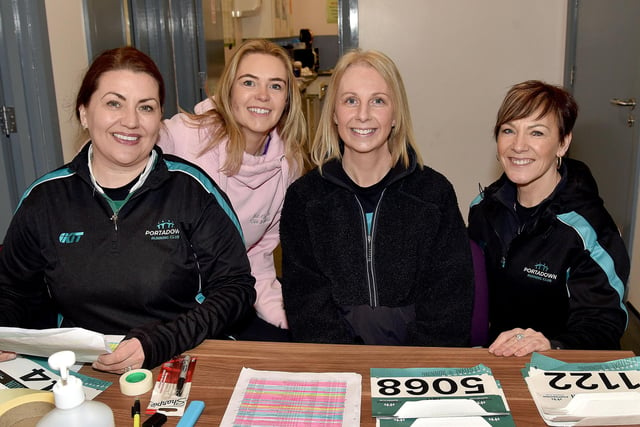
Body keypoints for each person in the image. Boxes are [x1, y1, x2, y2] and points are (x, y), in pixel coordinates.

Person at [0, 46, 256, 372]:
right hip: (86, 370)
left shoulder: (192, 190)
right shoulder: (44, 199)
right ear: (83, 112)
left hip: (183, 357)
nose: (131, 121)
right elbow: (14, 292)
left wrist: (160, 342)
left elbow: (236, 289)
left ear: (159, 119)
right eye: (114, 103)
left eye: (145, 107)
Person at [279, 49, 474, 346]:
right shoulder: (305, 199)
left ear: (396, 115)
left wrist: (409, 368)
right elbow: (306, 304)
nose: (363, 115)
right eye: (350, 100)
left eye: (378, 101)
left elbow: (450, 303)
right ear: (334, 112)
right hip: (335, 364)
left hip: (417, 367)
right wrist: (350, 363)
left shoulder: (433, 195)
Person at [158, 39, 307, 340]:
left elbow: (257, 254)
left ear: (287, 100)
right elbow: (127, 148)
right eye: (249, 82)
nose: (263, 96)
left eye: (276, 86)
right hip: (163, 305)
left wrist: (285, 317)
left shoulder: (286, 168)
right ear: (228, 90)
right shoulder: (183, 137)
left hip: (226, 304)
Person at [468, 80, 629, 356]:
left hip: (564, 367)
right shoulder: (483, 209)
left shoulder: (587, 228)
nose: (519, 146)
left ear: (563, 143)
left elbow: (603, 324)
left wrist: (552, 345)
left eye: (537, 133)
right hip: (499, 359)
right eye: (509, 130)